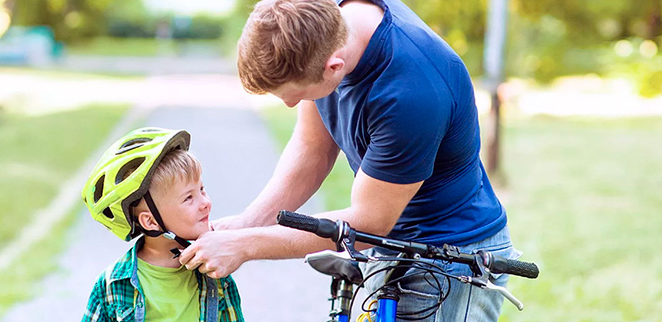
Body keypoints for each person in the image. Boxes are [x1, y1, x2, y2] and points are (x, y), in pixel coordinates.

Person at [178, 0, 521, 320]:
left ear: (334, 67)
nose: (289, 106)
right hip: (390, 248)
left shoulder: (410, 92)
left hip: (449, 258)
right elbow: (314, 149)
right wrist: (246, 224)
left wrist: (246, 245)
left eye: (294, 95)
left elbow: (369, 224)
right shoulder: (315, 26)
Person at [80, 127, 244, 322]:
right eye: (189, 198)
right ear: (150, 221)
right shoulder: (111, 286)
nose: (205, 202)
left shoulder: (217, 276)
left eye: (202, 189)